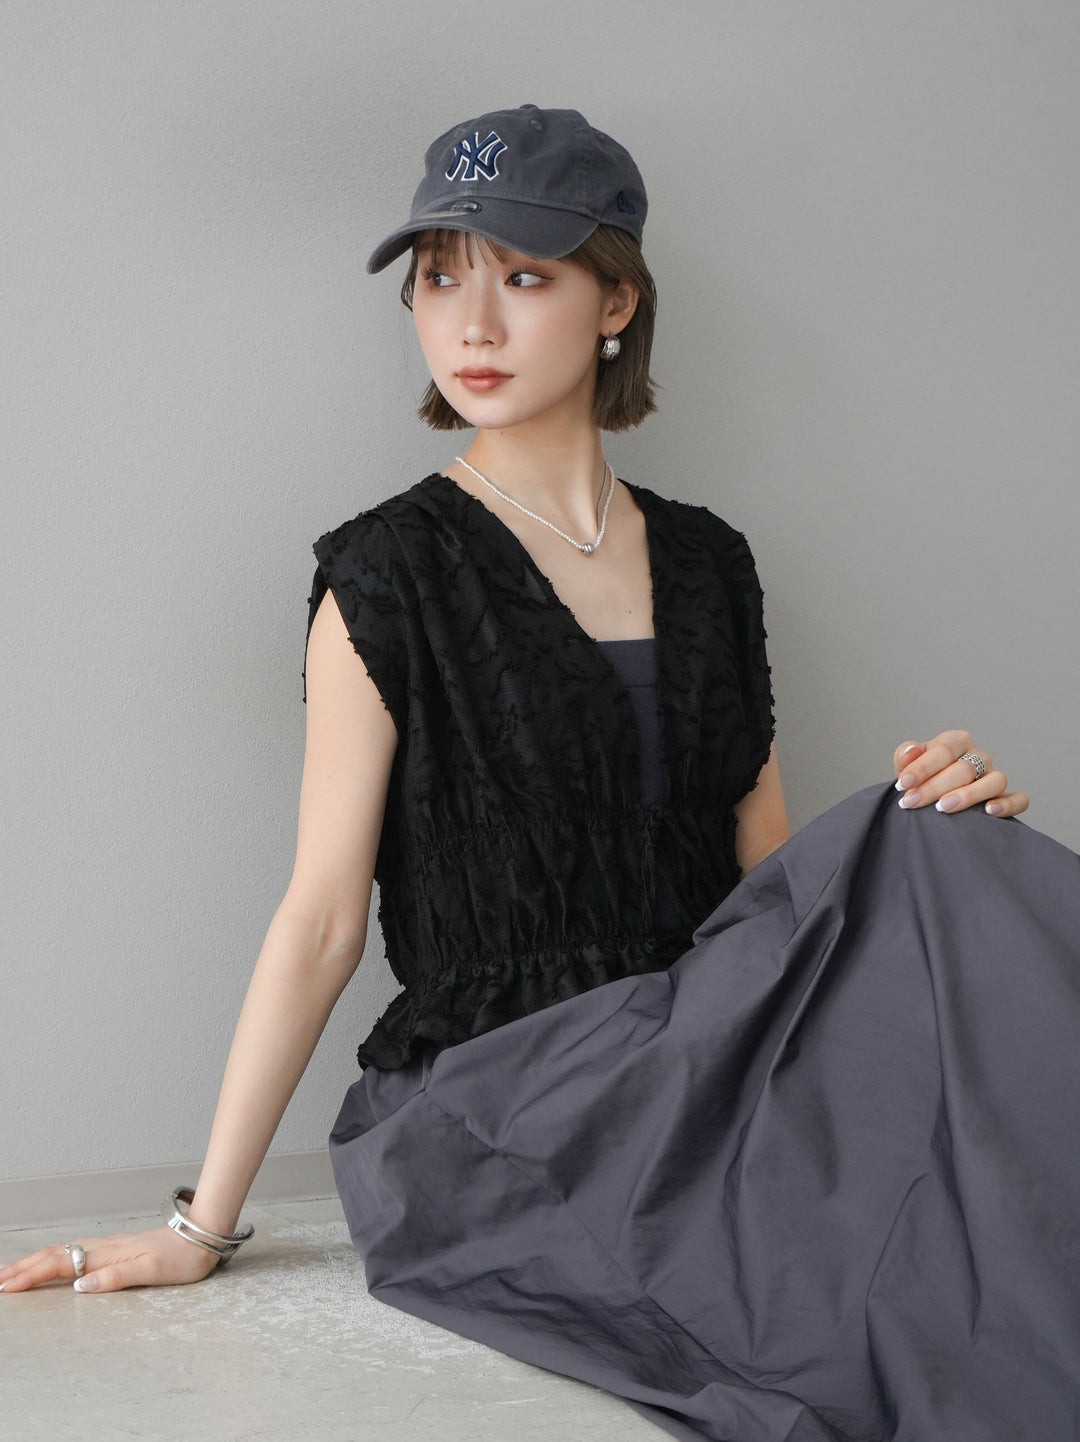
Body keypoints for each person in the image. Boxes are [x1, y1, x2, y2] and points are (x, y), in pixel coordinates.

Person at [3, 105, 1077, 1441]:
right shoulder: (387, 573)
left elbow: (776, 891)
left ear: (616, 301)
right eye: (438, 278)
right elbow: (323, 917)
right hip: (506, 1101)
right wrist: (199, 1225)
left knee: (950, 865)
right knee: (859, 1314)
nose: (471, 325)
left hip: (701, 1067)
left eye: (523, 277)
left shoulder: (709, 563)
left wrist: (932, 816)